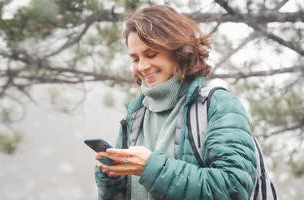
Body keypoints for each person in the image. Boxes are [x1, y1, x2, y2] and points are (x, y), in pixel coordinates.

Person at [93, 5, 257, 200]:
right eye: (135, 59)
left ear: (177, 50)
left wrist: (150, 168)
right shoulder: (133, 117)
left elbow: (234, 188)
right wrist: (110, 180)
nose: (143, 66)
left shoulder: (218, 105)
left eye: (151, 54)